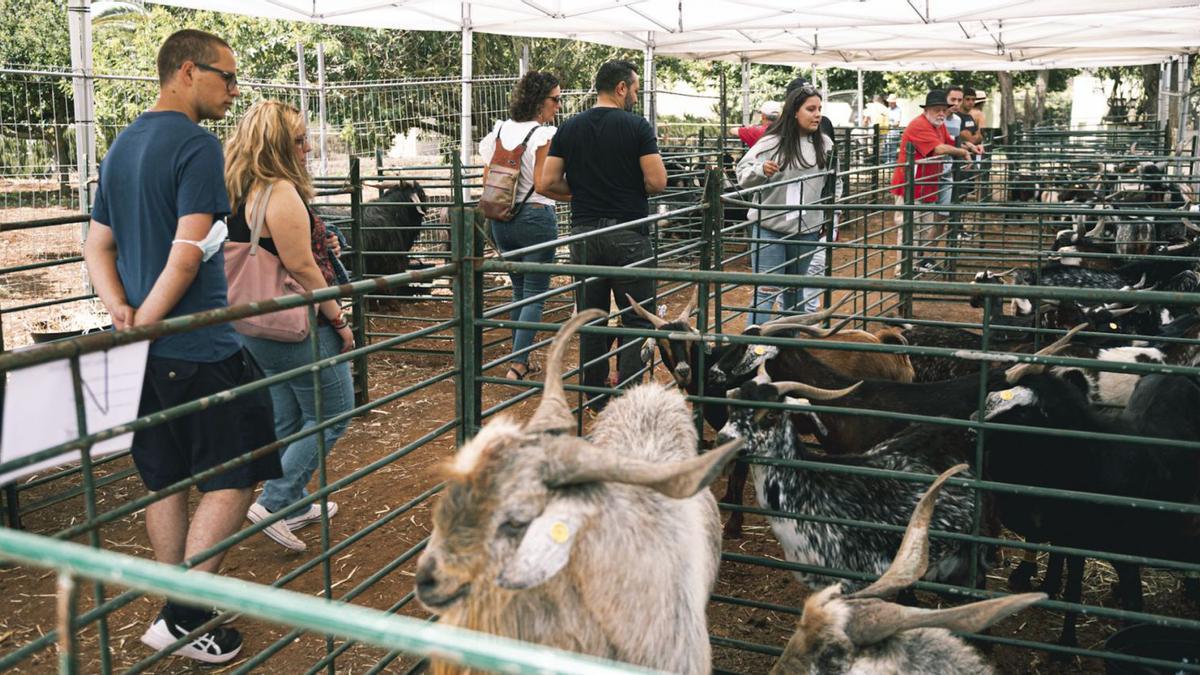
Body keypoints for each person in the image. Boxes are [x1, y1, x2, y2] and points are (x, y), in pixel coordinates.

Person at [82, 29, 279, 664]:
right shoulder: (196, 146)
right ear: (188, 72)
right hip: (197, 344)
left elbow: (96, 247)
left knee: (165, 479)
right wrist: (151, 322)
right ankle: (184, 614)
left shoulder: (123, 144)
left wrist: (121, 313)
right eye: (227, 76)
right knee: (241, 471)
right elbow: (187, 256)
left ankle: (178, 612)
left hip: (143, 350)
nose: (234, 89)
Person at [224, 100, 355, 553]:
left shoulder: (240, 189)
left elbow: (285, 248)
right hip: (292, 322)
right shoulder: (279, 192)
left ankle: (294, 501)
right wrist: (337, 318)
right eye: (298, 140)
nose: (307, 148)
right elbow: (300, 265)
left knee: (290, 412)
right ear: (277, 145)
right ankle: (275, 501)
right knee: (335, 409)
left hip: (253, 321)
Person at [538, 59, 667, 412]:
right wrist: (626, 189)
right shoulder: (637, 127)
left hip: (583, 232)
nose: (636, 96)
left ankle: (594, 398)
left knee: (591, 315)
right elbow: (657, 181)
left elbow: (546, 182)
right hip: (628, 231)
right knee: (637, 317)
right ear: (622, 88)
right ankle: (627, 400)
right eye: (635, 89)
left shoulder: (569, 127)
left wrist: (581, 193)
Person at [479, 71, 568, 380]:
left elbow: (487, 178)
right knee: (534, 293)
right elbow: (544, 184)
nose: (558, 106)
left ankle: (519, 358)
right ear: (539, 101)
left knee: (520, 291)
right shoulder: (544, 135)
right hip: (535, 219)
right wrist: (575, 195)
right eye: (555, 99)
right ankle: (518, 365)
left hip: (502, 219)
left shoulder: (500, 131)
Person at [736, 84, 834, 325]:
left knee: (795, 291)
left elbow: (832, 184)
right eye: (810, 109)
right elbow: (742, 172)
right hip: (770, 226)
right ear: (794, 112)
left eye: (819, 108)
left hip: (807, 229)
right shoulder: (772, 142)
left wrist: (829, 216)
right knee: (766, 291)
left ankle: (787, 350)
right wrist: (761, 170)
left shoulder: (825, 144)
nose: (817, 114)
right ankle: (753, 351)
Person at [889, 89, 981, 273]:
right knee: (909, 227)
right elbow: (938, 149)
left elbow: (950, 142)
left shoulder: (939, 126)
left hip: (928, 185)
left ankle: (914, 265)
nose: (941, 113)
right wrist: (962, 152)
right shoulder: (919, 125)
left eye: (943, 109)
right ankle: (903, 269)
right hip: (911, 185)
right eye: (937, 109)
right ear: (927, 110)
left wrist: (966, 145)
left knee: (923, 228)